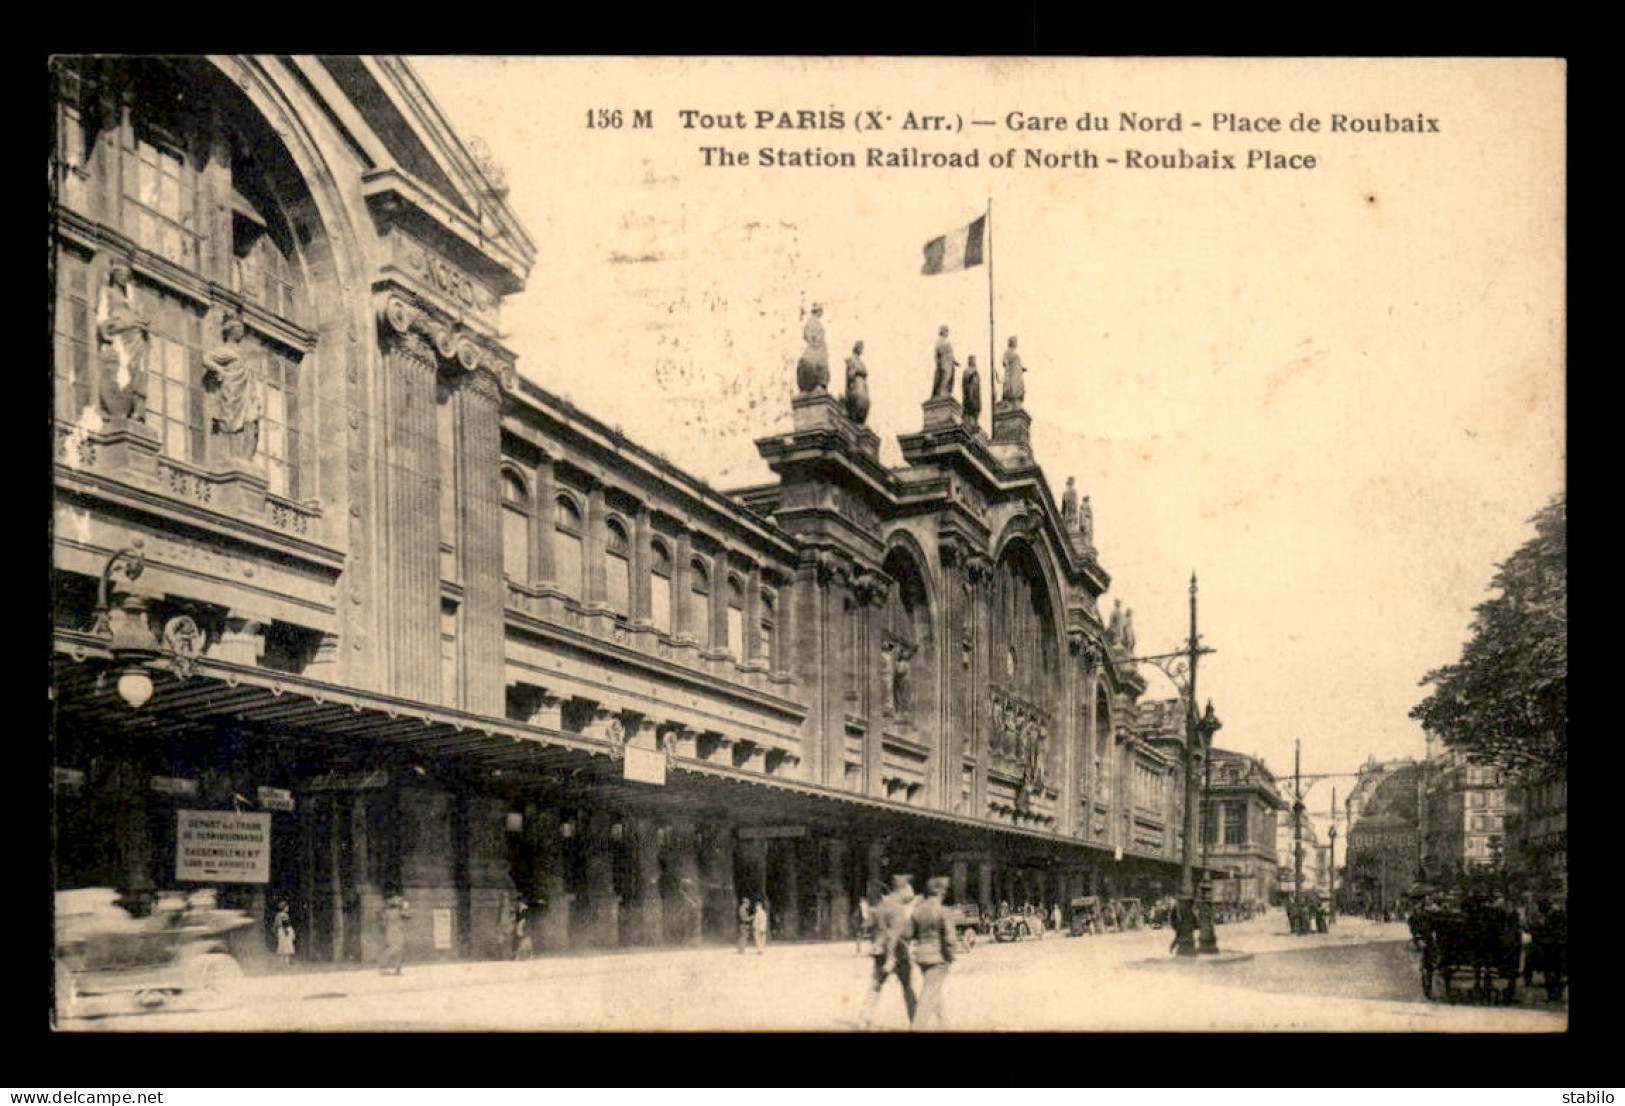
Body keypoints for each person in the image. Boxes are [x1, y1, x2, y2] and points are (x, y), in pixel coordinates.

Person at [856, 874, 917, 1029]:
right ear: (902, 889)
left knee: (875, 986)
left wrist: (877, 944)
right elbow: (893, 936)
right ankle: (916, 1022)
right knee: (908, 988)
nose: (911, 892)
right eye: (908, 888)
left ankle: (864, 1020)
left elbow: (871, 926)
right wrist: (891, 958)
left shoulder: (882, 905)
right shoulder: (897, 908)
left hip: (880, 952)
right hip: (897, 953)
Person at [908, 876, 957, 1030]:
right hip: (938, 958)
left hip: (921, 956)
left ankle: (945, 1025)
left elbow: (911, 933)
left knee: (933, 989)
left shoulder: (917, 910)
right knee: (929, 994)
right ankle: (916, 1028)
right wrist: (951, 956)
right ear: (941, 891)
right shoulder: (944, 911)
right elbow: (950, 939)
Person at [381, 894, 410, 975]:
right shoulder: (399, 911)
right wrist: (406, 907)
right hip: (397, 932)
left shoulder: (387, 912)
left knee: (395, 949)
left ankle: (390, 968)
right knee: (396, 950)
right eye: (399, 901)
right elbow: (408, 916)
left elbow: (383, 923)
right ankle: (392, 968)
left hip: (391, 931)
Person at [931, 326, 957, 398]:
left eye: (947, 331)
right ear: (942, 332)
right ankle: (942, 391)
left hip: (949, 362)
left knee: (949, 377)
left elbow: (951, 353)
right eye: (945, 331)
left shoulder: (947, 341)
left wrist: (954, 361)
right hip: (944, 361)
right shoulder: (939, 340)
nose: (947, 333)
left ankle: (945, 390)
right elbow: (937, 352)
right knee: (945, 376)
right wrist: (938, 362)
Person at [273, 901, 296, 970]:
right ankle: (287, 961)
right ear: (284, 908)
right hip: (285, 930)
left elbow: (275, 924)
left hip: (280, 930)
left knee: (282, 945)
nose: (288, 908)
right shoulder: (285, 915)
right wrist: (287, 931)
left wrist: (275, 931)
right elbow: (285, 924)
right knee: (288, 945)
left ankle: (283, 962)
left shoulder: (277, 915)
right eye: (287, 907)